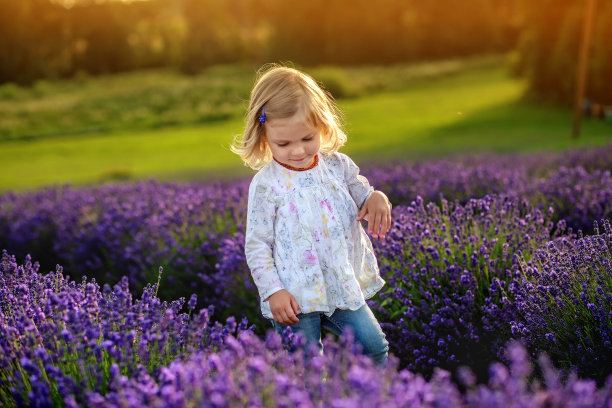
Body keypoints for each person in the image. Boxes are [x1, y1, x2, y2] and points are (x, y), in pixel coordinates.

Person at [231, 64, 391, 366]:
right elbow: (257, 245)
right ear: (264, 135)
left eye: (307, 138)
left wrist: (377, 198)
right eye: (284, 143)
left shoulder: (336, 166)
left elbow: (363, 194)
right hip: (293, 297)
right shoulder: (266, 185)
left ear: (322, 125)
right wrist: (273, 291)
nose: (298, 151)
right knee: (307, 369)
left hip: (339, 285)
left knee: (374, 348)